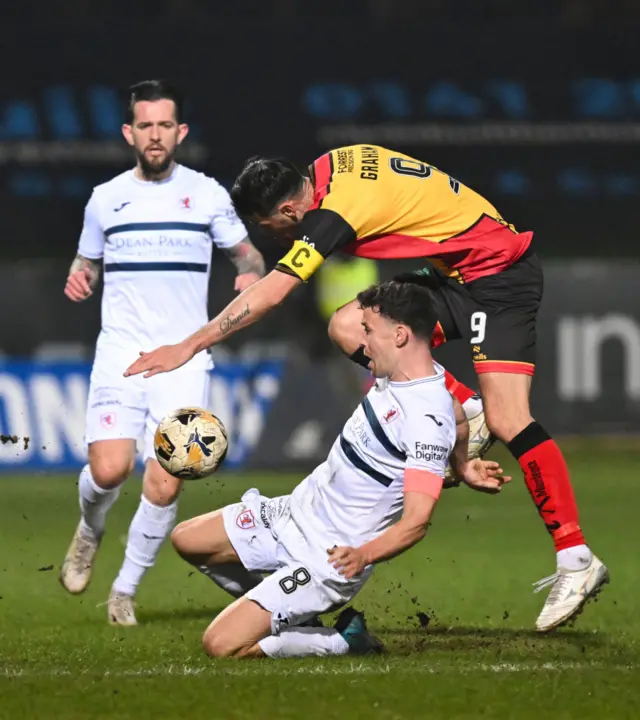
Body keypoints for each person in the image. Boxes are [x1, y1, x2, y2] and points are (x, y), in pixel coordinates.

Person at [124, 145, 609, 632]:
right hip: (452, 275)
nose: (277, 236)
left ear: (290, 209)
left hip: (499, 277)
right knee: (350, 325)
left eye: (271, 226)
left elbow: (271, 293)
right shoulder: (331, 166)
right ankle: (463, 406)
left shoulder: (332, 212)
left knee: (510, 420)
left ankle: (575, 557)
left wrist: (189, 345)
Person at [170, 281, 510, 658]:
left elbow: (415, 523)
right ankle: (287, 613)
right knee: (187, 539)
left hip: (326, 557)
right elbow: (459, 416)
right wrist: (462, 465)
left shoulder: (425, 418)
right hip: (293, 513)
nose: (362, 342)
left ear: (399, 335)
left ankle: (341, 642)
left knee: (221, 645)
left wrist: (363, 556)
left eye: (368, 331)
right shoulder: (401, 373)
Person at [59, 79, 266, 626]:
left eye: (164, 125)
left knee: (167, 477)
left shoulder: (207, 195)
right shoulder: (106, 199)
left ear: (181, 132)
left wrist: (249, 276)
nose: (155, 135)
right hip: (122, 351)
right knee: (108, 470)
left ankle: (124, 590)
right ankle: (90, 529)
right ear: (130, 132)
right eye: (145, 125)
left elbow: (250, 259)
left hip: (184, 357)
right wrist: (80, 277)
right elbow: (87, 264)